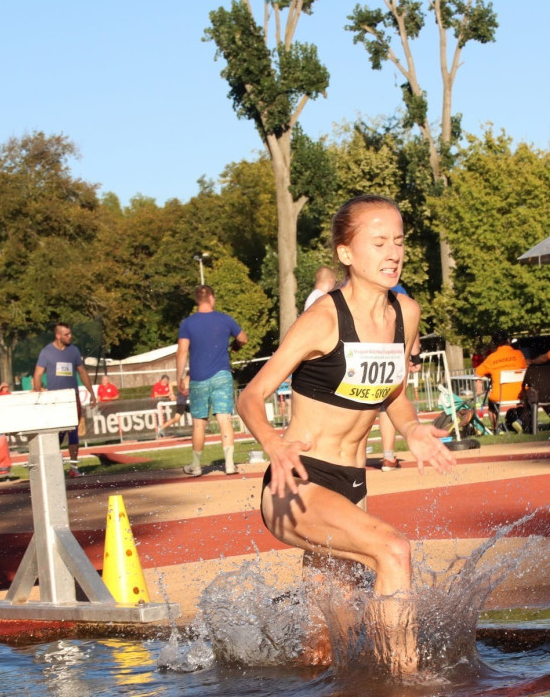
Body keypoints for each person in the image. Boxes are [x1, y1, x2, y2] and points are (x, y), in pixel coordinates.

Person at [235, 195, 455, 675]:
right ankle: (403, 680)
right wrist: (273, 445)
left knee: (327, 647)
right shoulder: (323, 319)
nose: (392, 253)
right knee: (393, 550)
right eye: (378, 242)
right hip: (298, 483)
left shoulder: (406, 314)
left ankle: (258, 667)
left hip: (352, 488)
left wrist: (412, 427)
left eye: (398, 241)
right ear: (347, 253)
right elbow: (250, 396)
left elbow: (391, 388)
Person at [176, 285, 248, 476]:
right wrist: (235, 346)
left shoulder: (187, 324)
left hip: (198, 378)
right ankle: (230, 464)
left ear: (197, 300)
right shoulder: (224, 319)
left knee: (199, 423)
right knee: (224, 419)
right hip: (222, 375)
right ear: (212, 298)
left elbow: (182, 351)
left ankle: (196, 466)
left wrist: (179, 377)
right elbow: (243, 338)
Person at [32, 323, 98, 470]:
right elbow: (37, 374)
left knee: (73, 431)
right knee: (58, 433)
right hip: (55, 399)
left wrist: (91, 392)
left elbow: (82, 372)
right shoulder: (47, 352)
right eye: (66, 334)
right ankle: (53, 466)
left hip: (72, 397)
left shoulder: (73, 351)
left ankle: (74, 468)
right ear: (58, 336)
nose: (70, 336)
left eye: (70, 334)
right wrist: (38, 392)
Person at [378, 284, 423, 471]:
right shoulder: (397, 291)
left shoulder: (404, 301)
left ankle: (387, 456)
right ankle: (387, 456)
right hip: (389, 352)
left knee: (391, 400)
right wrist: (415, 354)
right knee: (388, 402)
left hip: (384, 353)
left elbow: (410, 323)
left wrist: (413, 430)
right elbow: (410, 328)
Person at [475, 330, 528, 433]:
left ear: (494, 343)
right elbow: (524, 370)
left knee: (491, 402)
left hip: (500, 395)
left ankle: (496, 429)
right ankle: (521, 421)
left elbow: (477, 372)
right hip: (520, 394)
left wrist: (486, 375)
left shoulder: (492, 358)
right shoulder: (518, 354)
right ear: (508, 340)